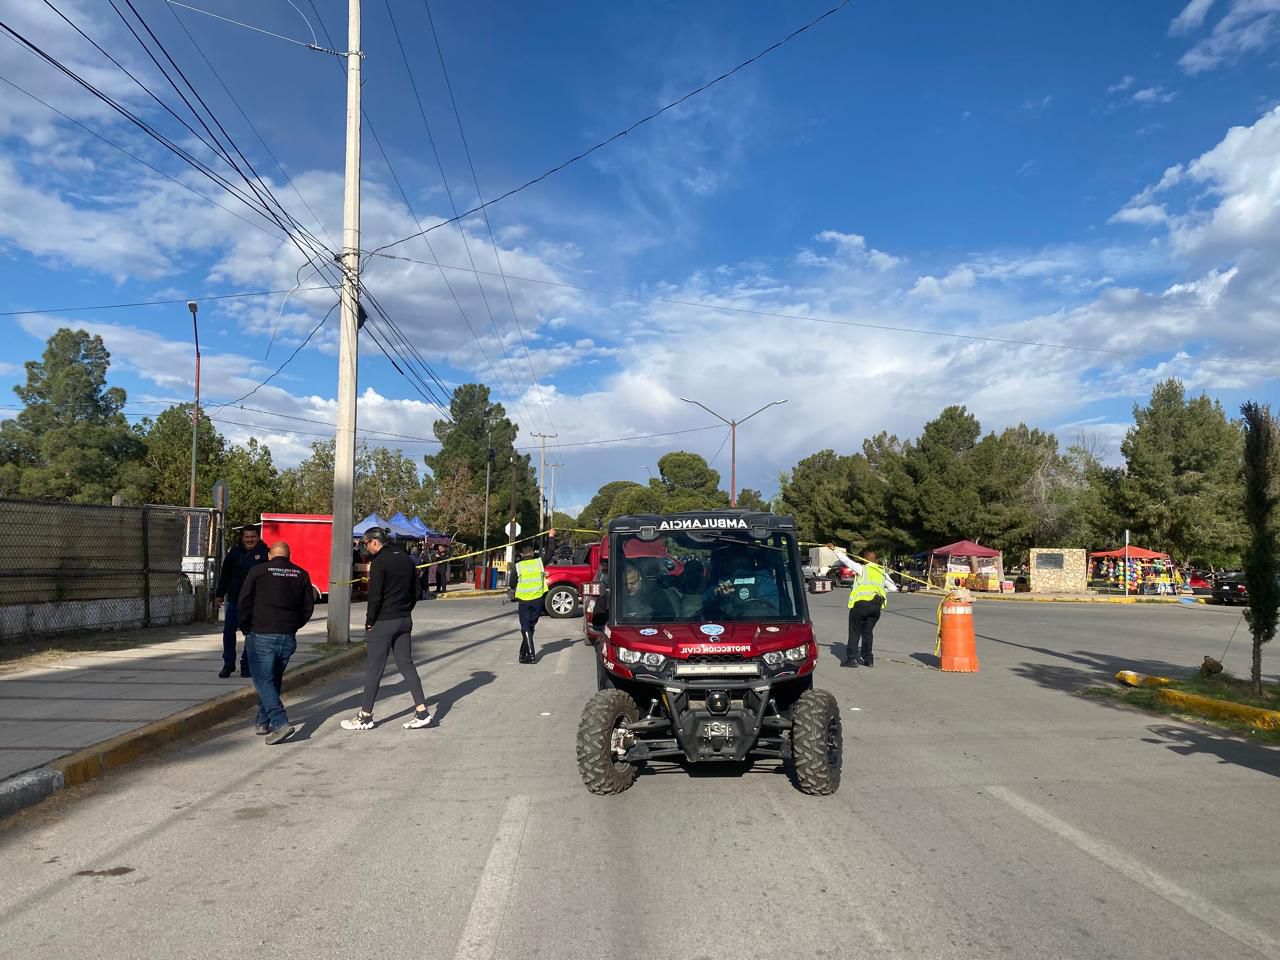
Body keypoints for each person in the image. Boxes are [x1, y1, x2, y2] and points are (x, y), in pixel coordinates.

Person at [340, 528, 434, 731]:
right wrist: (405, 609)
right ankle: (422, 711)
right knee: (406, 665)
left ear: (374, 542)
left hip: (383, 621)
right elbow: (417, 590)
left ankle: (365, 716)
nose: (364, 548)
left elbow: (375, 596)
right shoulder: (407, 559)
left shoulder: (380, 562)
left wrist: (369, 621)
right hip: (403, 619)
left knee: (374, 669)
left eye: (365, 544)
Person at [237, 541, 314, 745]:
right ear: (288, 556)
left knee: (263, 680)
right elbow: (308, 607)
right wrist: (294, 626)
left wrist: (245, 627)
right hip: (287, 636)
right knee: (272, 680)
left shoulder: (258, 571)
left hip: (261, 634)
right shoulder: (301, 574)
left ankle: (280, 723)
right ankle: (263, 721)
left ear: (270, 555)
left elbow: (244, 601)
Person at [213, 525, 269, 679]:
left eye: (253, 537)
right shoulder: (234, 553)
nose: (250, 540)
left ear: (258, 537)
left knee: (251, 635)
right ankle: (228, 664)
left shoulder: (265, 553)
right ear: (242, 538)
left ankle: (246, 666)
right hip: (234, 600)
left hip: (255, 602)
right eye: (247, 537)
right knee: (228, 632)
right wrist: (219, 594)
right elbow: (225, 575)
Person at [512, 530, 557, 663]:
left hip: (524, 601)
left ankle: (531, 656)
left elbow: (512, 584)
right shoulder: (539, 563)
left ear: (521, 554)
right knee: (530, 627)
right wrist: (551, 537)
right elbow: (550, 552)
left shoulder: (518, 567)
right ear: (533, 553)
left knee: (525, 627)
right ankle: (522, 654)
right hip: (538, 600)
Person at [704, 541, 780, 618]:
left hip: (739, 625)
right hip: (753, 626)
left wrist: (717, 592)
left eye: (732, 558)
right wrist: (717, 592)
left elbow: (771, 611)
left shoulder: (763, 581)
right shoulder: (765, 581)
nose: (728, 562)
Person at [841, 548, 888, 667]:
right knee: (867, 633)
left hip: (861, 606)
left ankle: (852, 659)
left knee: (855, 631)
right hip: (875, 607)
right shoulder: (882, 572)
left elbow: (846, 561)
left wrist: (834, 550)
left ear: (864, 559)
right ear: (875, 559)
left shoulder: (862, 569)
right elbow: (893, 587)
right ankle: (868, 659)